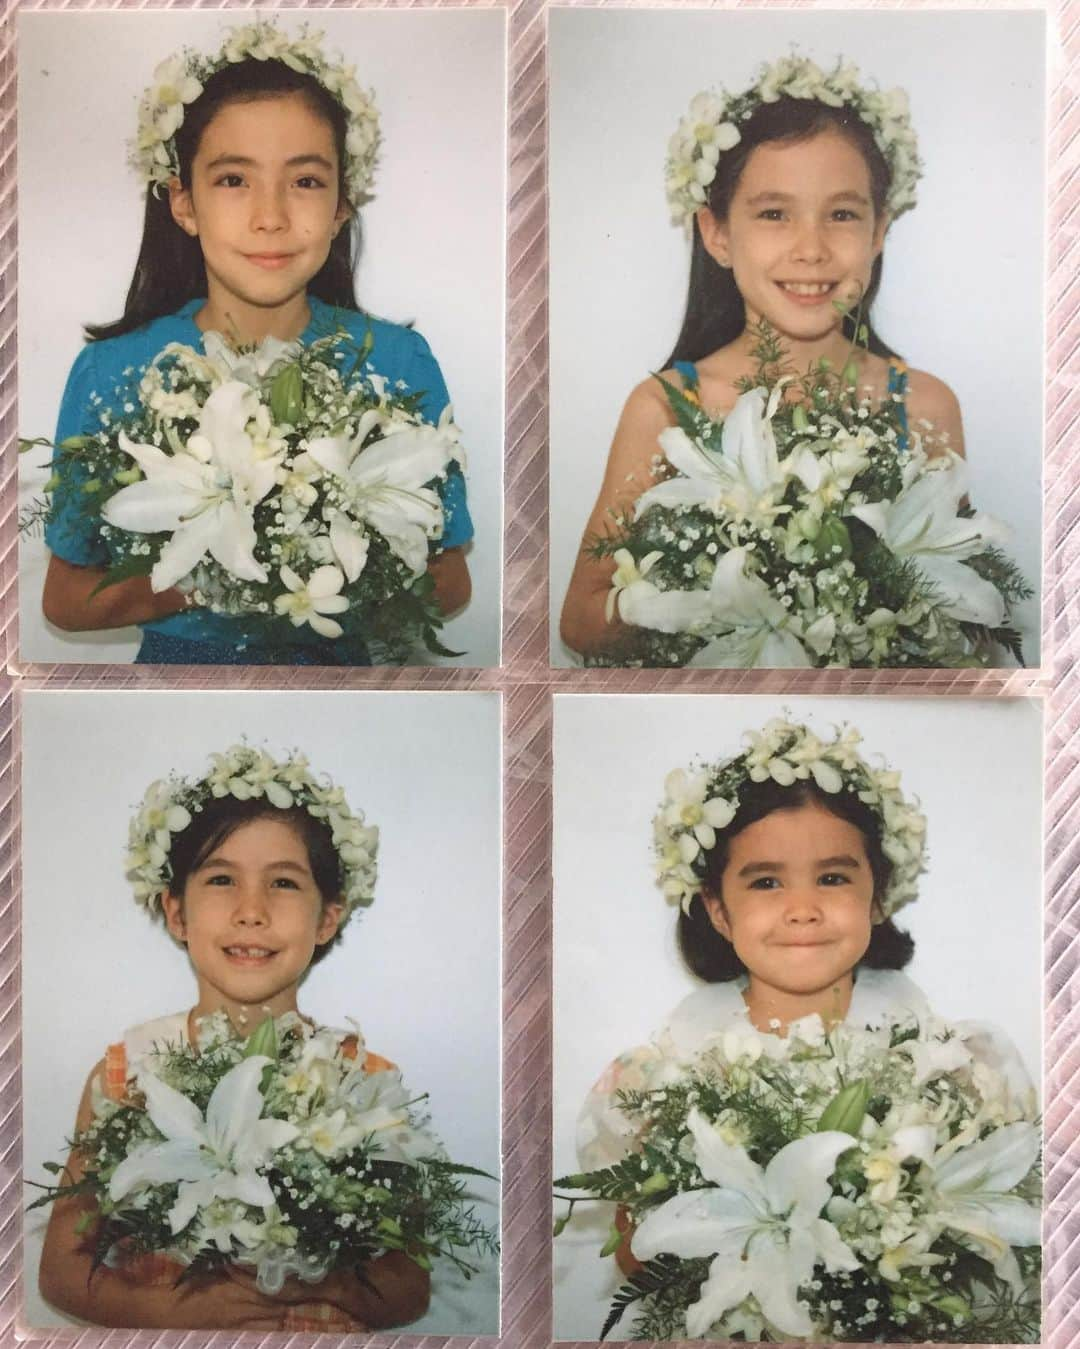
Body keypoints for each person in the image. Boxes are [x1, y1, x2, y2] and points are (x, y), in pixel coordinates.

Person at [41, 21, 471, 664]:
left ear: (341, 206)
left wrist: (324, 564)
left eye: (305, 181)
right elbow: (65, 602)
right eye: (234, 179)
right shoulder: (113, 370)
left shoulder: (398, 362)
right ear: (183, 204)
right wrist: (216, 575)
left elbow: (451, 581)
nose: (270, 216)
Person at [575, 719, 1035, 1278]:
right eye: (766, 882)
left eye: (833, 879)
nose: (802, 909)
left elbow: (999, 1247)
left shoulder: (962, 1069)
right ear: (719, 910)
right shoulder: (656, 1084)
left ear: (878, 897)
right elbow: (638, 1259)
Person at [561, 57, 966, 659]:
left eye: (843, 214)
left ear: (879, 232)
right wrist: (709, 587)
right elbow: (581, 620)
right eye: (774, 214)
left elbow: (959, 604)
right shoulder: (666, 407)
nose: (811, 249)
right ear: (718, 234)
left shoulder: (925, 403)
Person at [38, 744, 429, 1330]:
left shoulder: (368, 1082)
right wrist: (175, 1307)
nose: (252, 911)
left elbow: (413, 1285)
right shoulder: (127, 1076)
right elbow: (62, 1274)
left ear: (328, 918)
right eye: (221, 879)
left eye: (285, 884)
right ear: (176, 912)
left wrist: (317, 1279)